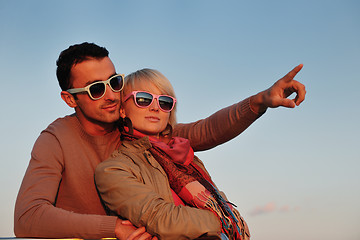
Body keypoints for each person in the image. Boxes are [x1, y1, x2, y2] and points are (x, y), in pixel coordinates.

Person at [14, 42, 305, 239]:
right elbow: (27, 217)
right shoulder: (56, 139)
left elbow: (206, 130)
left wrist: (260, 101)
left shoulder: (139, 132)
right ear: (69, 99)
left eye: (115, 82)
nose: (111, 95)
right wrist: (113, 227)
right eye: (95, 89)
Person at [95, 68, 251, 239]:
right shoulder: (114, 169)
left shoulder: (188, 159)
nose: (155, 107)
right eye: (143, 99)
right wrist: (224, 221)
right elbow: (161, 218)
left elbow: (223, 204)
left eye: (164, 102)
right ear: (123, 109)